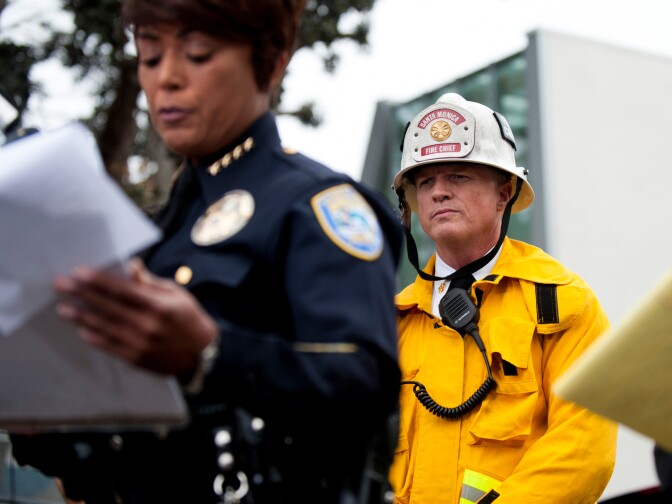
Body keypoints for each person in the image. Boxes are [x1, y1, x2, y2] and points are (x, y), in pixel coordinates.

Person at [10, 1, 404, 502]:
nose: (168, 78)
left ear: (272, 61)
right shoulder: (146, 234)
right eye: (150, 58)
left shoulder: (315, 206)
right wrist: (39, 415)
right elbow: (111, 449)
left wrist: (211, 355)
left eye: (197, 54)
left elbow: (364, 387)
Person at [388, 93, 617, 503]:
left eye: (457, 176)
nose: (438, 192)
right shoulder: (392, 320)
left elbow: (584, 450)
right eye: (425, 182)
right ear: (411, 206)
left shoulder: (562, 303)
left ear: (504, 192)